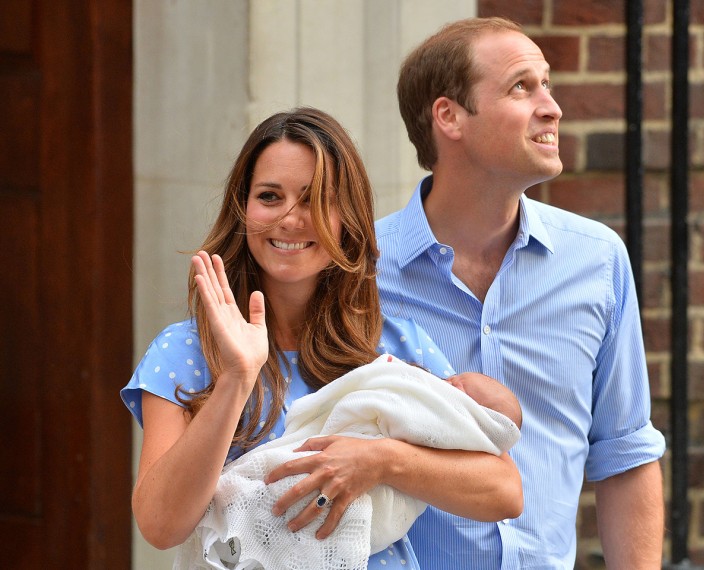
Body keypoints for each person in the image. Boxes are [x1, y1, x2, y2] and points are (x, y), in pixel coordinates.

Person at [121, 107, 523, 569]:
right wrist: (236, 377)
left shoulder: (395, 347)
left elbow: (505, 491)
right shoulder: (185, 349)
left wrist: (381, 461)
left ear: (346, 217)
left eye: (315, 199)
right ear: (243, 209)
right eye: (270, 196)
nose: (290, 219)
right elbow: (159, 524)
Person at [375, 16, 667, 569]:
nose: (551, 107)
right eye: (521, 86)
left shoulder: (597, 261)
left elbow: (624, 454)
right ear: (449, 117)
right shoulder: (359, 272)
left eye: (547, 84)